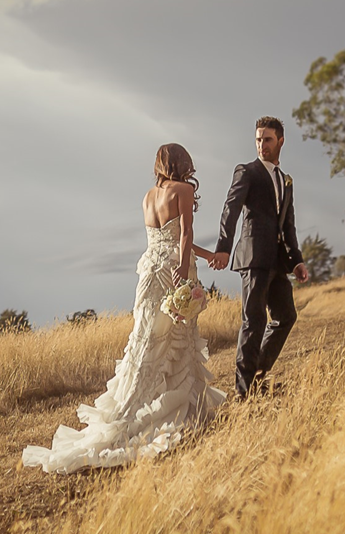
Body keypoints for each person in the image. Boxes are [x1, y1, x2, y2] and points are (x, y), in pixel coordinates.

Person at [22, 143, 228, 474]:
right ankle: (172, 413)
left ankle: (133, 407)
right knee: (176, 341)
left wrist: (208, 256)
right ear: (182, 163)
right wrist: (184, 268)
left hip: (150, 272)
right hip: (174, 270)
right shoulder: (183, 190)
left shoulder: (148, 197)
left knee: (146, 342)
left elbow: (165, 239)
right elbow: (185, 234)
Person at [208, 116, 310, 400]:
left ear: (280, 141)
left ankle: (257, 377)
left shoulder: (286, 181)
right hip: (253, 257)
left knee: (286, 316)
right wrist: (223, 247)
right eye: (258, 139)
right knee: (254, 322)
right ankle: (244, 392)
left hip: (278, 261)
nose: (262, 145)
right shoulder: (247, 171)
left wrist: (296, 260)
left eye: (267, 139)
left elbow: (288, 225)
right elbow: (230, 209)